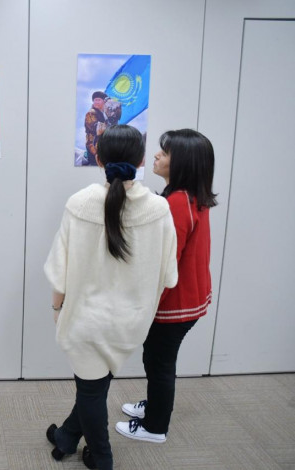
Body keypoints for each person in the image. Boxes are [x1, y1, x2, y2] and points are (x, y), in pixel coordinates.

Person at [44, 125, 178, 470]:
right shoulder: (160, 209)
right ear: (142, 160)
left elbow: (59, 271)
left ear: (98, 158)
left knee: (91, 390)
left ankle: (102, 458)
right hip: (132, 322)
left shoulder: (80, 203)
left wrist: (57, 308)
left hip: (85, 320)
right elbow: (169, 276)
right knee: (96, 384)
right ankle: (67, 437)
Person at [116, 129, 217, 444]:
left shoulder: (176, 203)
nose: (157, 155)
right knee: (157, 357)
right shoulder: (189, 196)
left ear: (183, 162)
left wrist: (143, 302)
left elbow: (165, 263)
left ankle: (155, 427)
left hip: (176, 302)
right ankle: (155, 406)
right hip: (189, 297)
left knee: (159, 362)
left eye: (166, 152)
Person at [84, 91, 107, 166]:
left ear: (104, 102)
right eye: (95, 100)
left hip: (102, 143)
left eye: (99, 100)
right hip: (93, 145)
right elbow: (95, 127)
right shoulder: (91, 112)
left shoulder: (103, 114)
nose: (96, 102)